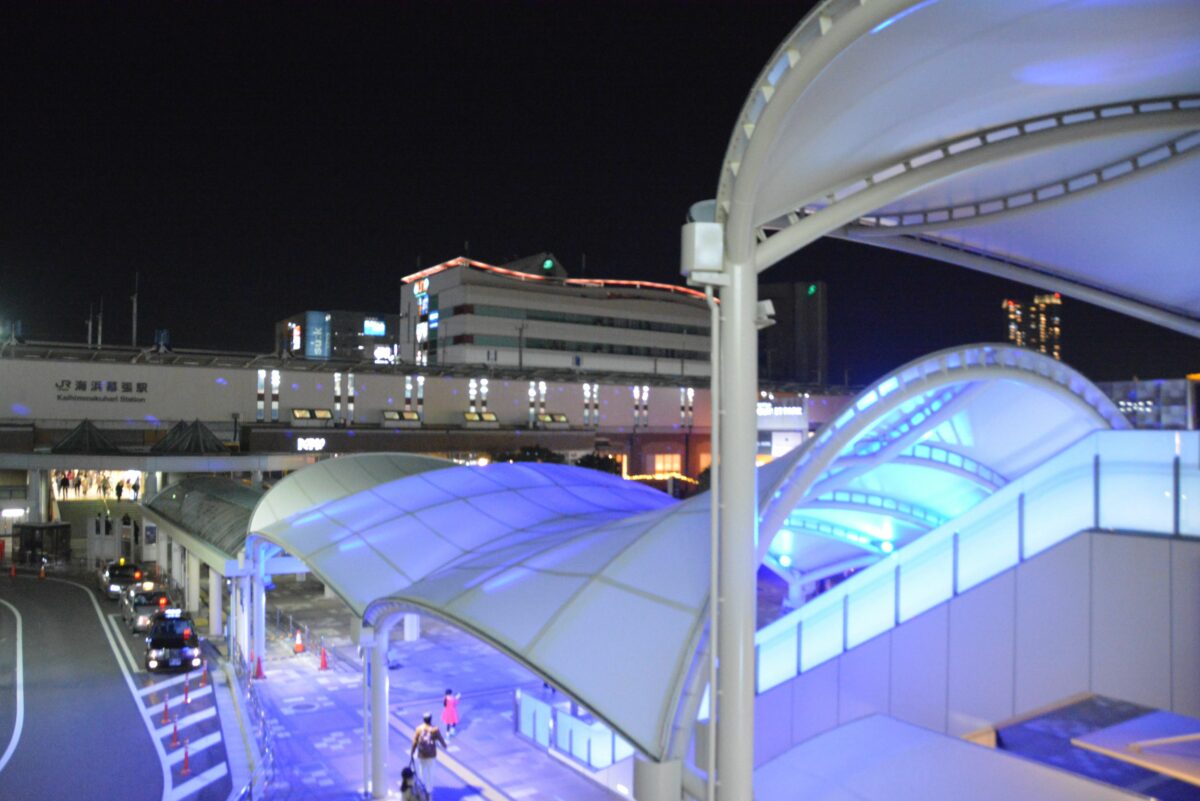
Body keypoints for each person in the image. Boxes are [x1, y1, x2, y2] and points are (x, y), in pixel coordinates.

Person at [409, 712, 447, 799]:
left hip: (422, 754)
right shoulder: (434, 729)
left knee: (422, 770)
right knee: (431, 772)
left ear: (423, 719)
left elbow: (414, 741)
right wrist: (445, 745)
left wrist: (412, 752)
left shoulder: (418, 729)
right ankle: (429, 790)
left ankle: (422, 786)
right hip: (431, 755)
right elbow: (441, 739)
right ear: (431, 719)